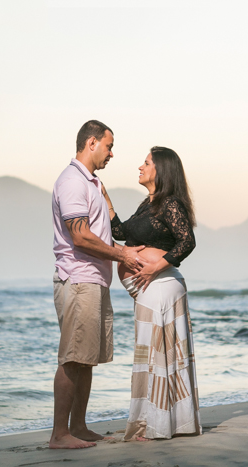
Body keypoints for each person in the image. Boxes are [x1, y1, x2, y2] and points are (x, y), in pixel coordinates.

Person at [50, 120, 147, 449]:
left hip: (93, 281)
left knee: (86, 358)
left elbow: (107, 230)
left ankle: (77, 426)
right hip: (78, 280)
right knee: (72, 358)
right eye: (109, 145)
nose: (112, 153)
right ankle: (59, 435)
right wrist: (122, 255)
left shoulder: (91, 182)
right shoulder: (72, 181)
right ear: (91, 143)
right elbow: (80, 236)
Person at [102, 146, 201, 441]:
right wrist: (105, 199)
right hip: (150, 289)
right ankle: (163, 422)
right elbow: (120, 232)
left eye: (146, 163)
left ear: (161, 170)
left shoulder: (170, 203)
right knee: (152, 355)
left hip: (162, 286)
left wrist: (156, 266)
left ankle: (154, 425)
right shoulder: (148, 204)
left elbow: (187, 241)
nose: (140, 167)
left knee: (158, 357)